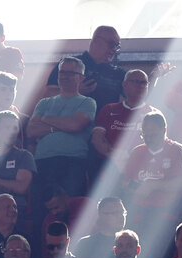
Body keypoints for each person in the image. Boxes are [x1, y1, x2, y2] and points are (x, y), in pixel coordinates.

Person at [29, 56, 96, 204]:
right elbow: (31, 130)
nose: (64, 76)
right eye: (62, 72)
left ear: (81, 77)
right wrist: (59, 126)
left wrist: (45, 120)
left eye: (70, 73)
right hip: (42, 162)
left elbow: (75, 125)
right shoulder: (44, 102)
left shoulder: (88, 102)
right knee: (40, 210)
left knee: (70, 210)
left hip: (72, 163)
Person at [42, 26, 125, 114]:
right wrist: (74, 92)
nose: (114, 50)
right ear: (96, 41)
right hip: (69, 123)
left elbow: (137, 97)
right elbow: (48, 97)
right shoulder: (68, 65)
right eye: (111, 44)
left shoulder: (118, 73)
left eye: (117, 46)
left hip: (105, 124)